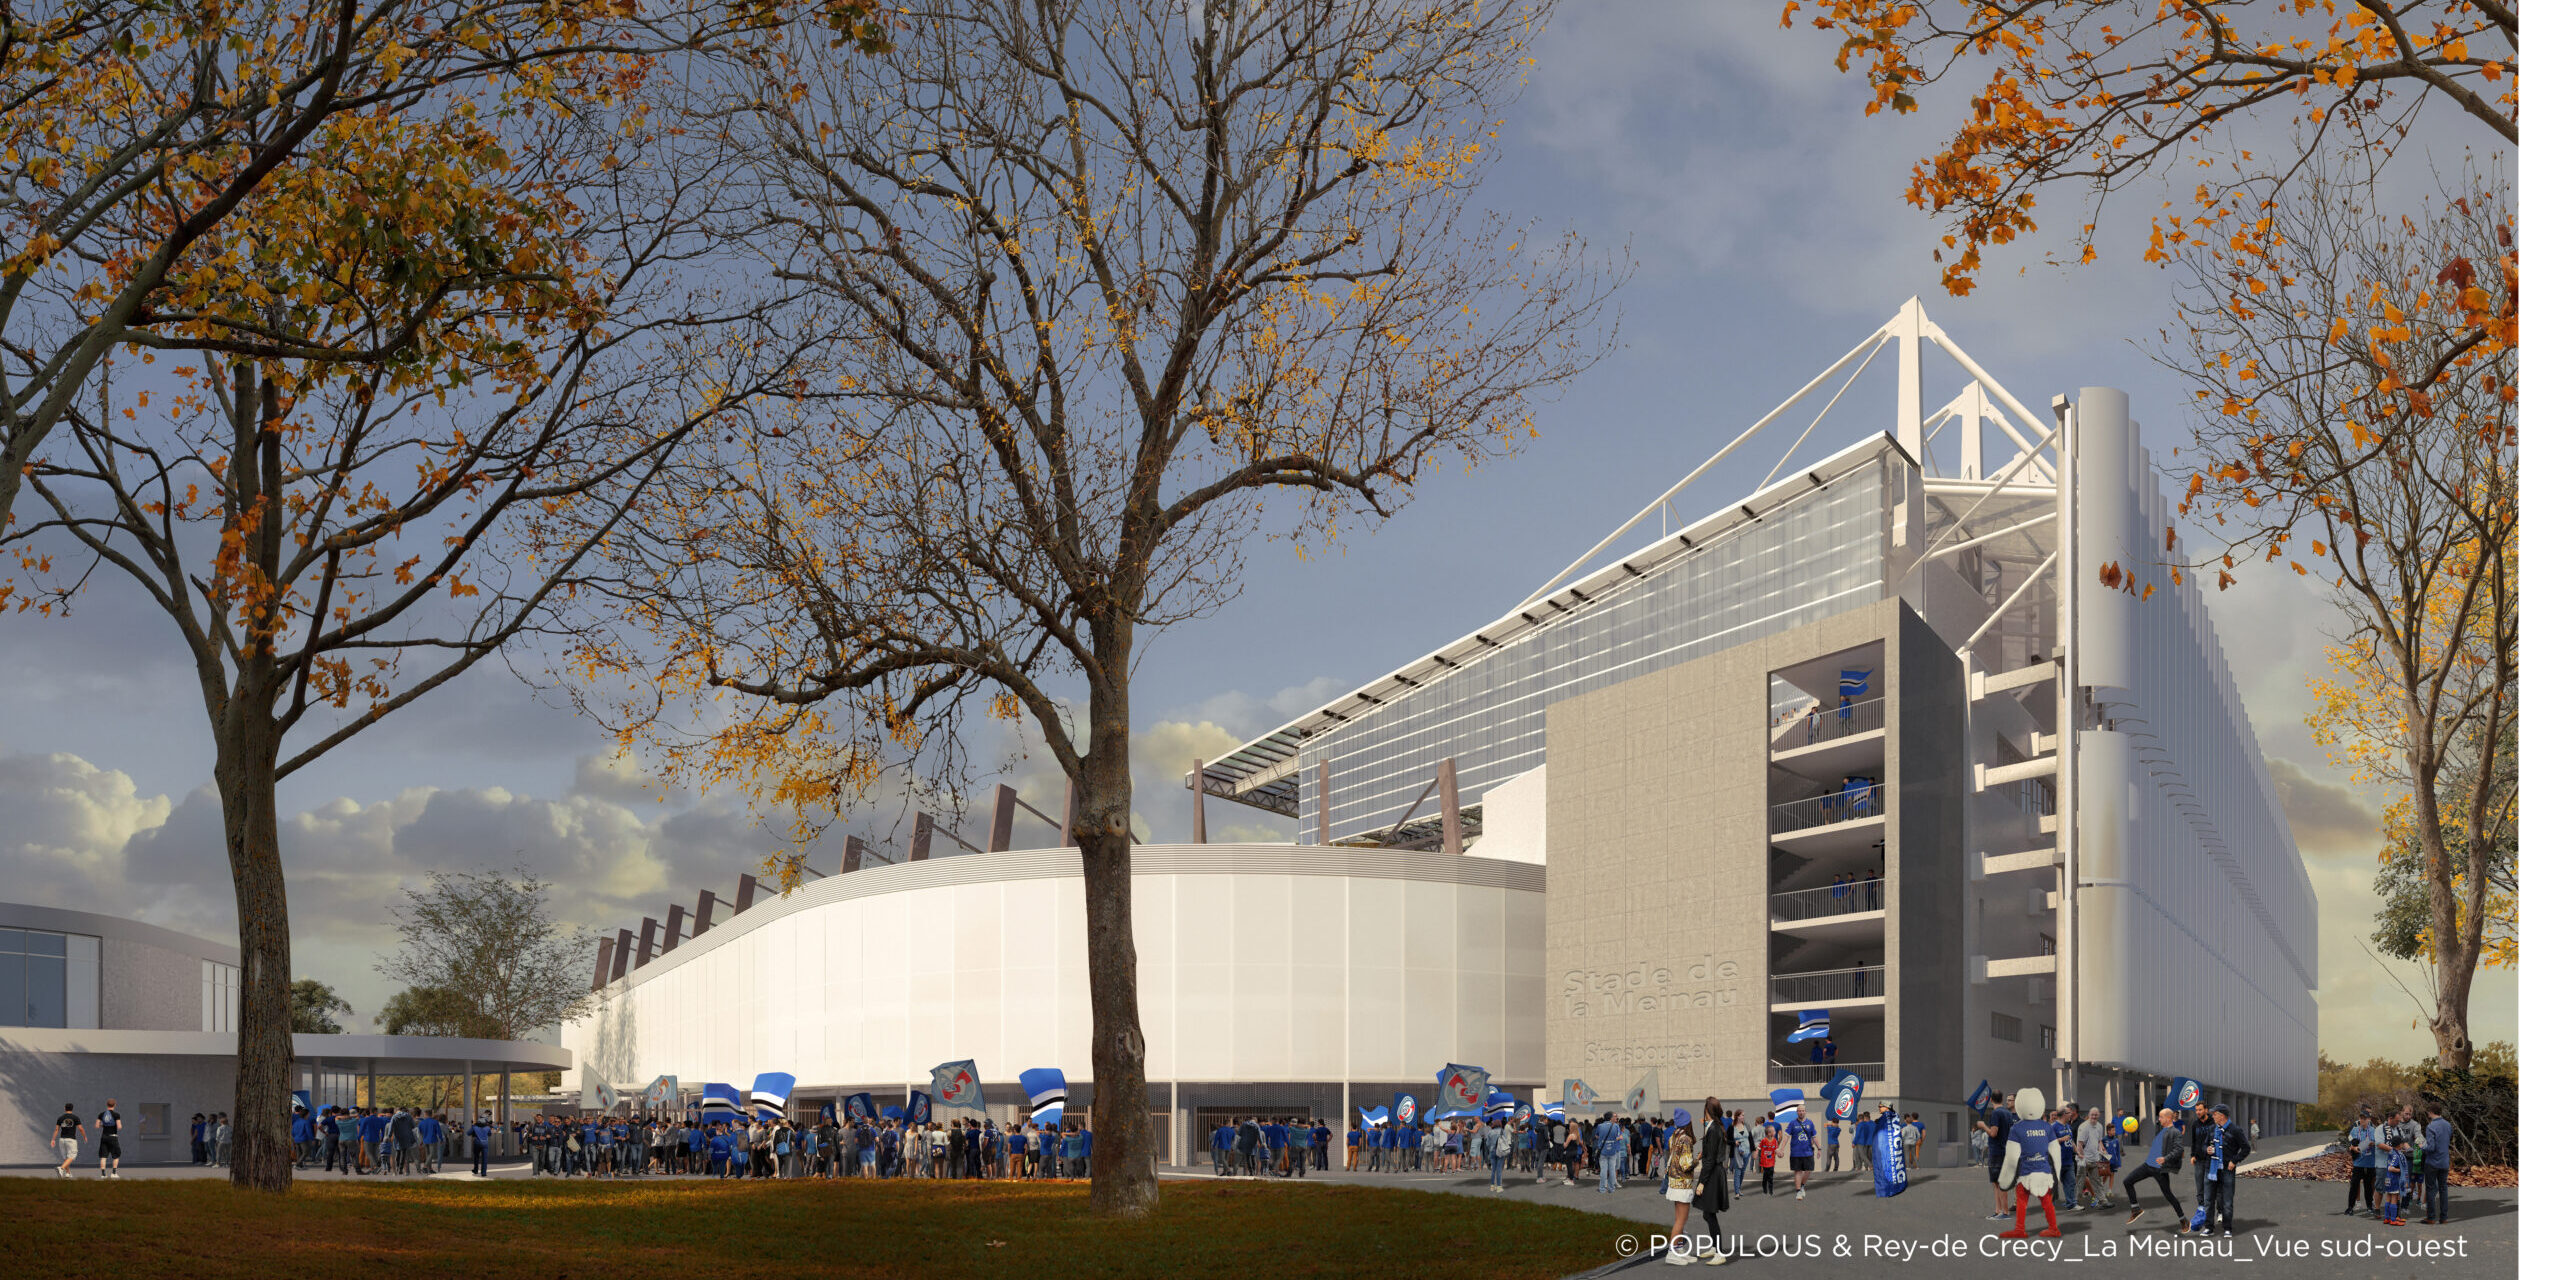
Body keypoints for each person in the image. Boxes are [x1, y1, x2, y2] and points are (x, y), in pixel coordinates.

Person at [1996, 1087, 2062, 1239]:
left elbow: (2011, 1158)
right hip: (2044, 1172)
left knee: (2021, 1199)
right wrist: (2057, 1175)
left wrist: (2005, 1180)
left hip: (2026, 1172)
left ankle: (2020, 1229)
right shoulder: (2046, 1127)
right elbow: (2055, 1152)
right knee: (2047, 1201)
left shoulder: (2016, 1128)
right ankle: (2053, 1228)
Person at [2122, 1107, 2185, 1228]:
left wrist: (2165, 1158)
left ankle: (2183, 1219)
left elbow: (2179, 1149)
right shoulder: (2162, 1130)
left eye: (2161, 1117)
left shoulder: (2175, 1132)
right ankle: (2136, 1209)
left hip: (2159, 1169)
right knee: (2127, 1181)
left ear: (2167, 1118)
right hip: (2148, 1165)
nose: (2159, 1119)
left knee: (2168, 1195)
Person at [2199, 1104, 2250, 1236]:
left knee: (2227, 1201)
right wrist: (2207, 1149)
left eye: (2214, 1114)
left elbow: (2246, 1148)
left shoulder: (2235, 1130)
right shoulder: (2211, 1129)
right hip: (2211, 1169)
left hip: (2227, 1170)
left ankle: (2227, 1228)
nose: (2212, 1116)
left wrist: (2234, 1160)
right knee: (2208, 1200)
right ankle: (2209, 1228)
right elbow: (2203, 1145)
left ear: (2221, 1116)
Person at [1980, 1092, 2018, 1219]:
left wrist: (1983, 1126)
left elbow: (1993, 1133)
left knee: (1999, 1183)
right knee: (1997, 1183)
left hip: (1997, 1152)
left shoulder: (1996, 1113)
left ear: (1991, 1100)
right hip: (2005, 1150)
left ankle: (2004, 1212)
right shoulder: (2008, 1113)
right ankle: (1998, 1210)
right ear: (2002, 1099)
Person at [2419, 1103, 2454, 1225]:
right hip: (2444, 1161)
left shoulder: (2431, 1127)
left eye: (2428, 1111)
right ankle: (2444, 1217)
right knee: (2443, 1189)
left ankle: (2431, 1217)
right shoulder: (2448, 1125)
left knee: (2430, 1188)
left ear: (2431, 1112)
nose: (2427, 1114)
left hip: (2433, 1162)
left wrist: (2422, 1147)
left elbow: (2431, 1147)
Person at [2344, 1110, 2381, 1217]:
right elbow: (2350, 1145)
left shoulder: (2374, 1130)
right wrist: (2354, 1148)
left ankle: (2370, 1206)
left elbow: (2377, 1143)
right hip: (2358, 1163)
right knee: (2354, 1185)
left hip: (2370, 1162)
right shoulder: (2355, 1130)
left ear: (2369, 1119)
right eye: (2360, 1118)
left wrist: (2371, 1143)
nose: (2362, 1121)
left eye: (2364, 1119)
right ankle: (2350, 1207)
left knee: (2368, 1186)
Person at [2379, 1130, 2411, 1226]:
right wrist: (2400, 1171)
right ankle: (2393, 1219)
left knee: (2388, 1197)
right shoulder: (2396, 1155)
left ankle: (2387, 1218)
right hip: (2394, 1179)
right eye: (2402, 1143)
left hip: (2388, 1179)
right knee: (2394, 1197)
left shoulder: (2392, 1152)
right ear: (2399, 1145)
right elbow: (2391, 1168)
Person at [1786, 1107, 1817, 1199]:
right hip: (1796, 1152)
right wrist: (1781, 1148)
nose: (1801, 1112)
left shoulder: (1810, 1123)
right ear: (1797, 1112)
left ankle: (1802, 1185)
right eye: (1799, 1111)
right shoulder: (1792, 1123)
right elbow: (1786, 1137)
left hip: (1808, 1152)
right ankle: (1798, 1191)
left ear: (1805, 1112)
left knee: (1808, 1170)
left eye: (1802, 1111)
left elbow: (1814, 1136)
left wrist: (1819, 1148)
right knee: (1798, 1171)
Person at [52, 1104, 84, 1180]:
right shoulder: (75, 1118)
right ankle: (61, 1168)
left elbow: (56, 1130)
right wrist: (84, 1136)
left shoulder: (60, 1118)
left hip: (62, 1140)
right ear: (72, 1109)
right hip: (71, 1140)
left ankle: (68, 1173)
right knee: (72, 1155)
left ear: (64, 1108)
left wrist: (53, 1139)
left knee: (66, 1157)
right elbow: (80, 1129)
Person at [95, 1098, 125, 1179]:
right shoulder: (116, 1115)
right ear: (115, 1105)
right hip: (113, 1137)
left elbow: (97, 1126)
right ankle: (114, 1173)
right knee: (116, 1155)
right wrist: (117, 1125)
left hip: (104, 1137)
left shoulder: (101, 1114)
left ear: (107, 1105)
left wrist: (104, 1125)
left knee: (103, 1156)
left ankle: (103, 1174)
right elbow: (119, 1127)